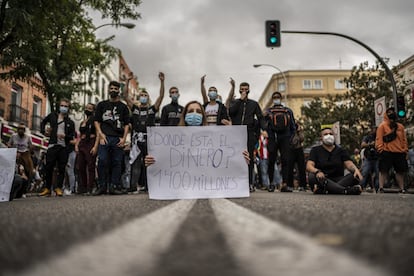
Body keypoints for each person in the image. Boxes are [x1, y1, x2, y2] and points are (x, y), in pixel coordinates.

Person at [145, 100, 249, 166]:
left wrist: (241, 158)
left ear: (203, 117)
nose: (194, 114)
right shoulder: (172, 140)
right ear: (184, 115)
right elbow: (164, 160)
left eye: (199, 112)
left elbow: (226, 160)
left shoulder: (214, 139)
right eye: (190, 111)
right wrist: (152, 161)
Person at [124, 72, 165, 193]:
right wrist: (127, 81)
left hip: (150, 140)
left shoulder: (152, 109)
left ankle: (149, 187)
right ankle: (132, 186)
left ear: (148, 98)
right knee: (135, 164)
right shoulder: (135, 109)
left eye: (145, 95)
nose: (143, 97)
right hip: (136, 140)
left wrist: (162, 82)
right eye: (141, 95)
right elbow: (125, 96)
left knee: (149, 163)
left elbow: (161, 97)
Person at [228, 82, 267, 192]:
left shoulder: (254, 104)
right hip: (236, 132)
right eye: (242, 89)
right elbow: (231, 112)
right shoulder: (235, 102)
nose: (244, 91)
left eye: (246, 89)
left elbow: (260, 117)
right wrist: (240, 100)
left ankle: (249, 183)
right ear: (239, 91)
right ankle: (235, 182)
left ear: (249, 90)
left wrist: (264, 129)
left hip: (248, 132)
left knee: (248, 159)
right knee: (235, 157)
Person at [94, 81, 130, 195]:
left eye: (116, 88)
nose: (113, 90)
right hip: (105, 137)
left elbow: (126, 125)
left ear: (118, 91)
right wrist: (101, 134)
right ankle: (102, 186)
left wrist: (124, 139)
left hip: (117, 138)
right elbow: (96, 121)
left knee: (117, 162)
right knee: (102, 160)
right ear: (108, 90)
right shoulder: (101, 105)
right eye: (112, 88)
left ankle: (114, 186)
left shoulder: (123, 107)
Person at [306, 127, 363, 195]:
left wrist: (355, 169)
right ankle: (345, 191)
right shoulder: (315, 150)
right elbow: (309, 166)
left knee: (353, 176)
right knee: (312, 176)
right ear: (321, 138)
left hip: (339, 179)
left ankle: (325, 190)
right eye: (326, 134)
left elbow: (349, 164)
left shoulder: (341, 150)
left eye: (331, 134)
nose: (329, 136)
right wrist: (317, 171)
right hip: (322, 178)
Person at [39, 98, 76, 196]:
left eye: (66, 106)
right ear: (59, 106)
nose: (63, 107)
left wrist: (65, 136)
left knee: (61, 168)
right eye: (62, 105)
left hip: (63, 147)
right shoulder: (52, 116)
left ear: (68, 108)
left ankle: (58, 188)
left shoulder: (70, 122)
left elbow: (72, 136)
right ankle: (47, 188)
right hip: (52, 145)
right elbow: (43, 122)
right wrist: (44, 131)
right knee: (49, 167)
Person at [264, 91, 296, 192]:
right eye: (274, 97)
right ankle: (272, 183)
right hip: (276, 138)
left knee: (285, 160)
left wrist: (290, 137)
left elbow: (292, 125)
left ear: (280, 98)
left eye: (277, 97)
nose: (276, 98)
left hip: (279, 138)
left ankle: (284, 184)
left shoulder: (270, 111)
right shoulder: (284, 111)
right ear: (273, 99)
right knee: (272, 161)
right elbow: (293, 127)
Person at [375, 107, 408, 193]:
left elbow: (404, 139)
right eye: (389, 112)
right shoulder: (382, 126)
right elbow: (379, 138)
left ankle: (402, 188)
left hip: (399, 152)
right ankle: (381, 187)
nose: (391, 113)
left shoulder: (400, 127)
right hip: (386, 152)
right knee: (383, 170)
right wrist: (380, 149)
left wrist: (405, 150)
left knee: (400, 171)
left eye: (392, 112)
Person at [75, 103, 99, 195]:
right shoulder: (82, 122)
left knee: (90, 166)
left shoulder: (95, 121)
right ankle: (83, 187)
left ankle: (90, 187)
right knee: (80, 166)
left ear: (93, 110)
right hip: (82, 143)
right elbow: (80, 135)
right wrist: (77, 145)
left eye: (90, 108)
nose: (87, 110)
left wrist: (95, 146)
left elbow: (97, 134)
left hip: (91, 142)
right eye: (86, 108)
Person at [287, 122, 307, 191]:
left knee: (301, 168)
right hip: (291, 150)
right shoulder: (289, 131)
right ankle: (289, 185)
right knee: (290, 168)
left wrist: (299, 132)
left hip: (299, 149)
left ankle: (303, 185)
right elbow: (291, 141)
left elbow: (302, 139)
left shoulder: (299, 131)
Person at [360, 126, 379, 192]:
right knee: (364, 173)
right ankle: (361, 187)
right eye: (375, 129)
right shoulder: (368, 137)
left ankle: (377, 189)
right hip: (368, 158)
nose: (376, 131)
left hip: (377, 158)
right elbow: (362, 145)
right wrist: (370, 144)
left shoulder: (380, 137)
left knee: (378, 174)